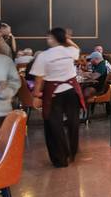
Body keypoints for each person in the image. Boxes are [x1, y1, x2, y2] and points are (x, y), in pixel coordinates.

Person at [29, 27, 83, 167]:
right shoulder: (70, 51)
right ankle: (72, 152)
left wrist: (36, 95)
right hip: (71, 91)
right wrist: (67, 40)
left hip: (53, 93)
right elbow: (77, 48)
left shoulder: (44, 56)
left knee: (53, 124)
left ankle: (60, 158)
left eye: (49, 37)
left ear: (53, 39)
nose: (47, 39)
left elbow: (39, 78)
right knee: (73, 123)